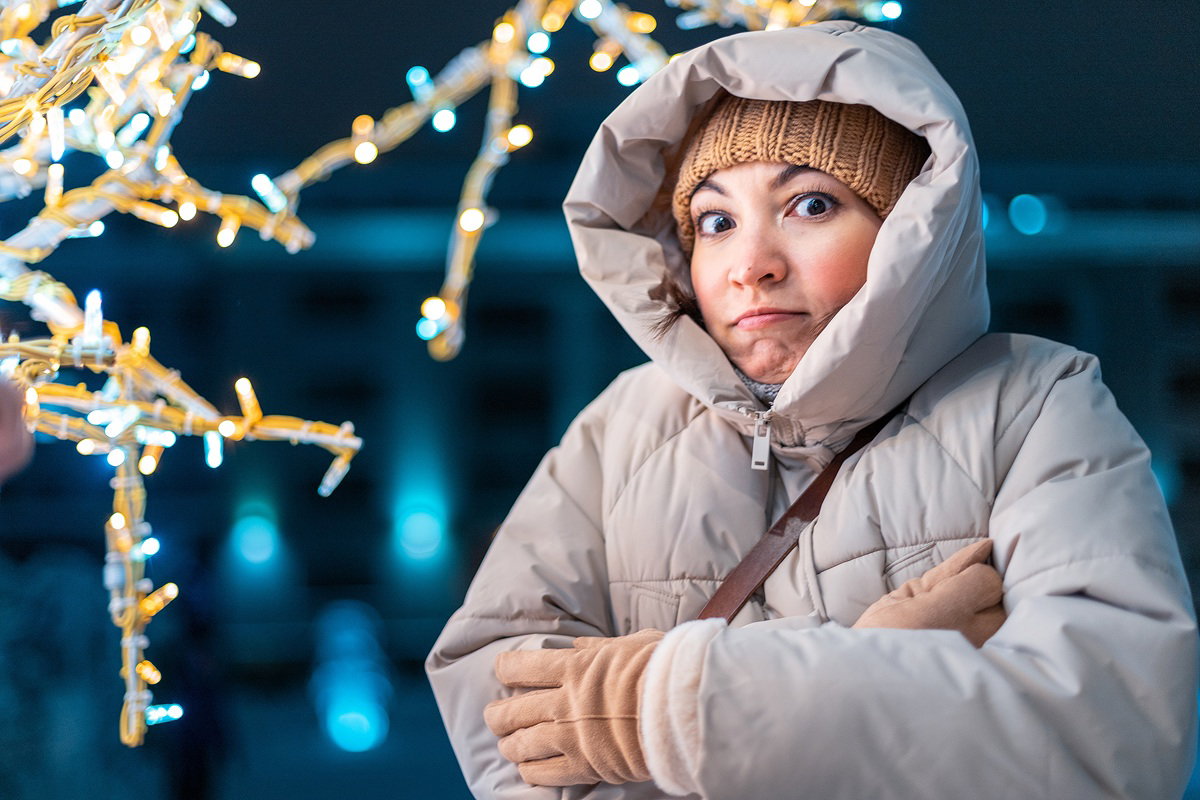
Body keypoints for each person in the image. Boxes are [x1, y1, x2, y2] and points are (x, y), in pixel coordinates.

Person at [426, 21, 1197, 799]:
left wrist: (666, 708)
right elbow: (499, 701)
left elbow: (1111, 743)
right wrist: (880, 674)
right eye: (717, 222)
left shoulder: (1035, 407)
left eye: (812, 204)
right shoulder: (624, 426)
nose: (750, 266)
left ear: (910, 232)